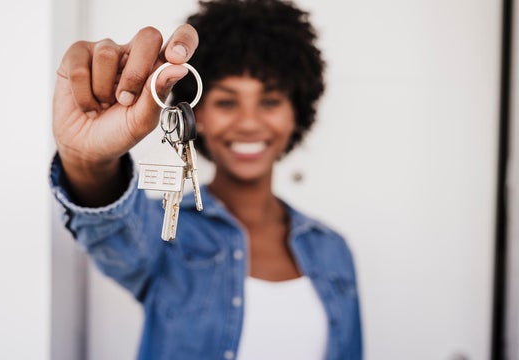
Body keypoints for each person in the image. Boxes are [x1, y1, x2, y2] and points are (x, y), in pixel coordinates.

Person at [50, 0, 362, 358]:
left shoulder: (333, 251)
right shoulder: (166, 236)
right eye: (227, 103)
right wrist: (88, 159)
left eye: (270, 101)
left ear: (297, 113)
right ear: (194, 112)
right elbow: (112, 228)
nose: (248, 122)